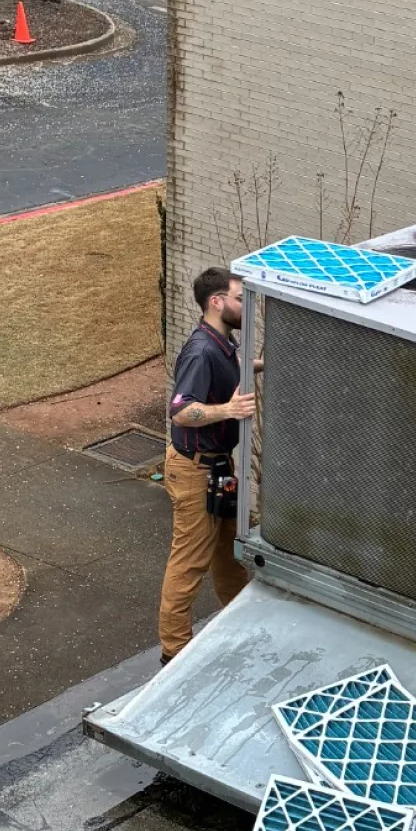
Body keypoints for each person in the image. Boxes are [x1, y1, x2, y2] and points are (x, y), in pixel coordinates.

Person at [157, 268, 259, 664]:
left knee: (230, 556)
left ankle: (239, 626)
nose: (246, 306)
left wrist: (261, 365)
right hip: (195, 471)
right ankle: (173, 655)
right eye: (239, 298)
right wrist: (229, 410)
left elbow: (230, 370)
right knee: (189, 564)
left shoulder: (225, 344)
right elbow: (180, 411)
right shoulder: (201, 350)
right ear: (216, 302)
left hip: (219, 469)